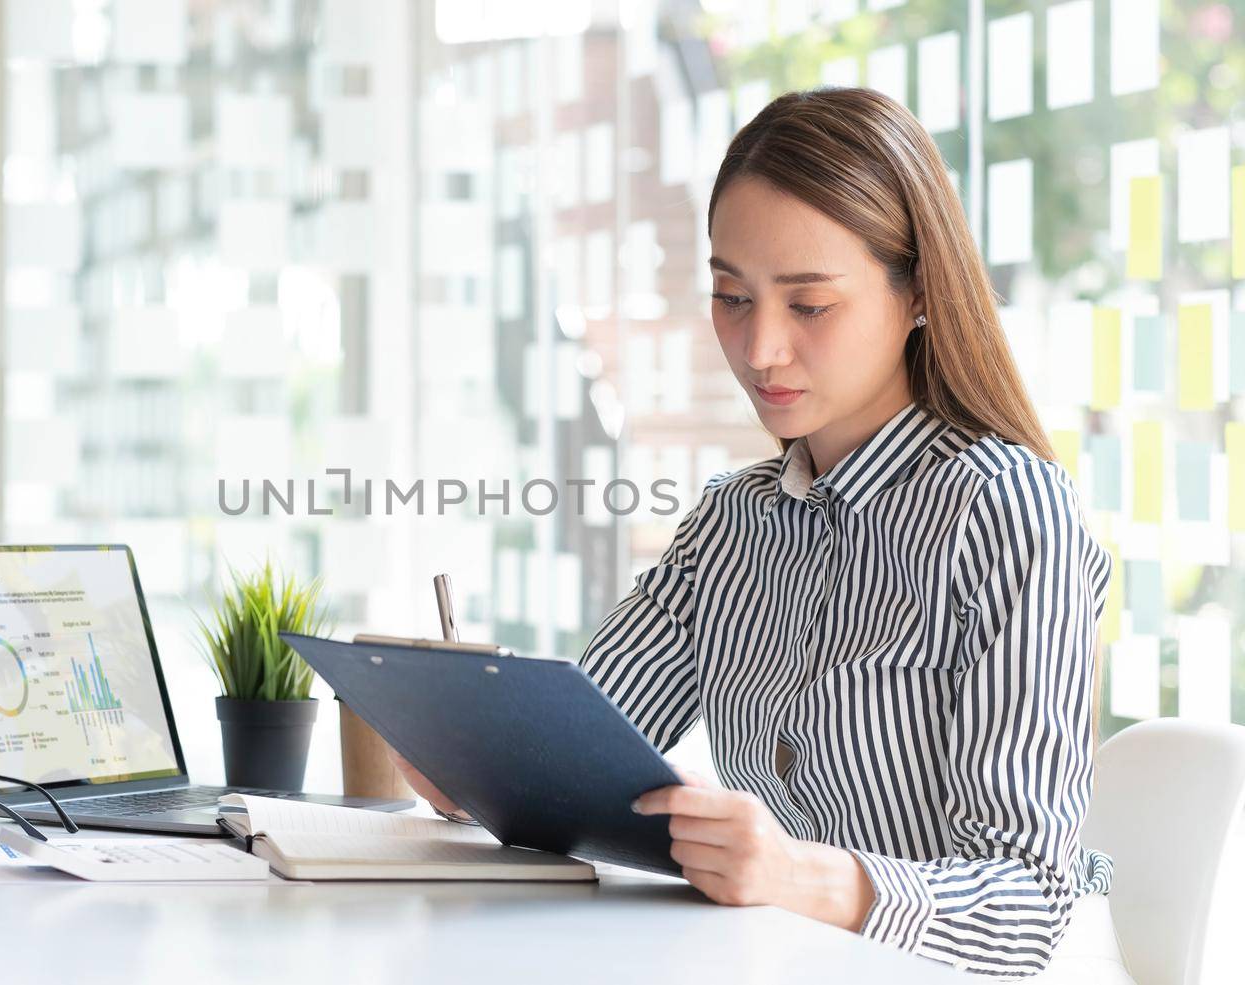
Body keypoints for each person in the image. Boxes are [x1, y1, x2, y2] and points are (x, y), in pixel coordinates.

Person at [395, 87, 1128, 982]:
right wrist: (479, 766)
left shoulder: (1010, 515)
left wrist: (800, 877)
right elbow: (586, 757)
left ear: (921, 295)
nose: (759, 348)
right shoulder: (731, 520)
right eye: (732, 296)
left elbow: (1026, 904)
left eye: (809, 305)